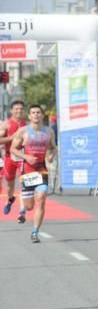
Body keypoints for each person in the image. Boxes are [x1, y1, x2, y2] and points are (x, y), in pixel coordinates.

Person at [9, 104, 57, 243]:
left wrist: (51, 155)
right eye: (33, 113)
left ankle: (35, 233)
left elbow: (54, 147)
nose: (36, 115)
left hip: (41, 170)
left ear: (42, 115)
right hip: (27, 171)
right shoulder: (23, 131)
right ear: (29, 116)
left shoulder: (49, 132)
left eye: (38, 112)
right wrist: (26, 157)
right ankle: (23, 209)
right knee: (30, 206)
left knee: (41, 199)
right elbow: (13, 149)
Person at [0, 100, 27, 223]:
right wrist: (12, 137)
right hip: (9, 157)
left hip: (23, 157)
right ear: (11, 110)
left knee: (24, 184)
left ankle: (22, 212)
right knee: (10, 184)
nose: (19, 111)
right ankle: (10, 199)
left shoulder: (27, 125)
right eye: (16, 109)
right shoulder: (6, 125)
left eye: (21, 109)